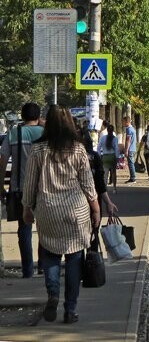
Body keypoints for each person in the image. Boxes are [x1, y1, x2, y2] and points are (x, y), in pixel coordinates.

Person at [22, 105, 101, 324]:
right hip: (75, 212)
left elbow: (30, 185)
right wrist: (96, 209)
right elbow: (88, 183)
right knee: (75, 259)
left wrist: (27, 208)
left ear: (47, 122)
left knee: (50, 255)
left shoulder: (37, 150)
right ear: (69, 123)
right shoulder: (78, 149)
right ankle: (71, 310)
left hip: (47, 212)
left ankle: (53, 293)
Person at [0, 102, 44, 278]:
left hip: (20, 189)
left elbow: (2, 162)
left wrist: (1, 186)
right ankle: (43, 266)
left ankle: (28, 271)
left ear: (23, 116)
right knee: (45, 229)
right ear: (38, 116)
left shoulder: (14, 133)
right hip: (44, 190)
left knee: (24, 230)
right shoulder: (45, 134)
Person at [98, 123, 120, 191]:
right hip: (112, 156)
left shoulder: (102, 138)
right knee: (113, 173)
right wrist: (117, 157)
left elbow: (98, 148)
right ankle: (114, 188)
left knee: (105, 174)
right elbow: (116, 148)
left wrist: (99, 156)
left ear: (107, 130)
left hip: (105, 156)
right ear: (113, 130)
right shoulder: (115, 139)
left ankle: (105, 188)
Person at [122, 116, 137, 183]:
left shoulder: (129, 129)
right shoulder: (132, 128)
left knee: (130, 164)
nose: (122, 123)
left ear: (126, 122)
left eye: (123, 121)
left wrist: (126, 150)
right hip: (133, 148)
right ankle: (133, 177)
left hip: (130, 149)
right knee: (131, 163)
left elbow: (128, 140)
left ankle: (133, 178)